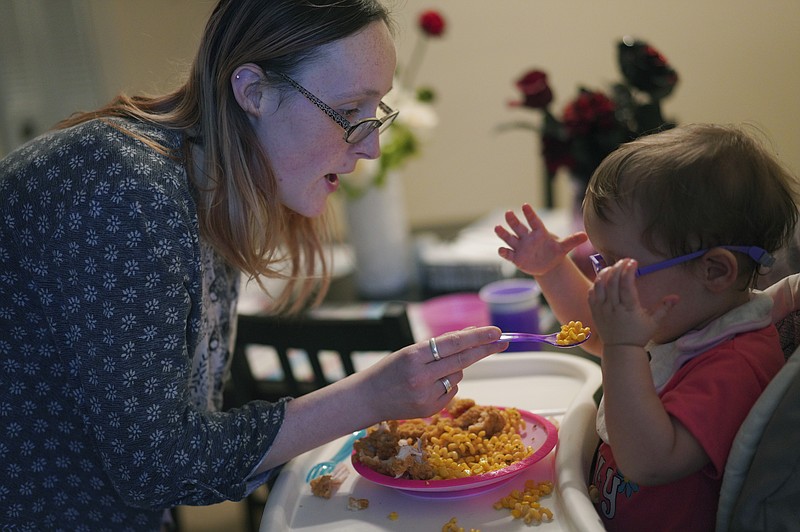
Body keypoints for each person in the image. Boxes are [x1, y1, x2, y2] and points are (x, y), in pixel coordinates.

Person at [0, 1, 506, 529]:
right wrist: (370, 397)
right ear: (253, 92)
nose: (373, 146)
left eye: (376, 111)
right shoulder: (126, 190)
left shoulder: (204, 185)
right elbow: (157, 466)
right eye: (350, 112)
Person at [494, 123, 799, 531]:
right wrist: (552, 269)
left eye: (616, 264)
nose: (601, 279)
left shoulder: (735, 362)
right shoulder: (680, 317)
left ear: (714, 270)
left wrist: (624, 347)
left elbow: (650, 461)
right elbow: (597, 334)